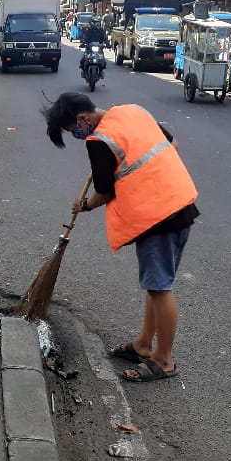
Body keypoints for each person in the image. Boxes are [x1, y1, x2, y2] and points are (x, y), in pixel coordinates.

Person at [43, 92, 199, 383]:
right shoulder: (132, 110)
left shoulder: (99, 140)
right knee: (157, 285)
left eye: (72, 130)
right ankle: (143, 344)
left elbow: (105, 191)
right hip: (180, 205)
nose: (76, 135)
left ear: (82, 118)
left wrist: (84, 205)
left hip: (158, 216)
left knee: (160, 288)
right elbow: (172, 146)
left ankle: (164, 360)